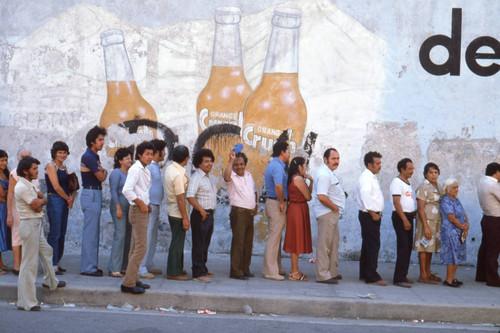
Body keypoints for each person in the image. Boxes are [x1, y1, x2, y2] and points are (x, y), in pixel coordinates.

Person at [15, 156, 65, 311]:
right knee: (29, 265)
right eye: (34, 169)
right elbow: (37, 206)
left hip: (36, 225)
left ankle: (50, 281)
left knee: (47, 251)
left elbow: (43, 199)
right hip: (29, 225)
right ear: (25, 171)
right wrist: (42, 201)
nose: (37, 171)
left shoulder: (29, 184)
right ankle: (27, 302)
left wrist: (42, 200)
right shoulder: (22, 187)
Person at [121, 141, 154, 294]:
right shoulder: (136, 169)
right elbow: (127, 190)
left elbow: (142, 190)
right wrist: (140, 203)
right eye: (147, 154)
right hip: (137, 210)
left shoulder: (145, 169)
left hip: (142, 209)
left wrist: (146, 203)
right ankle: (128, 283)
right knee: (141, 247)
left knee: (135, 247)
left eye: (152, 154)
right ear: (139, 154)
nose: (150, 157)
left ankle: (133, 278)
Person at [313, 148, 345, 285]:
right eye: (333, 159)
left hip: (332, 214)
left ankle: (332, 272)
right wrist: (334, 207)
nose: (336, 161)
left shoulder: (329, 173)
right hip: (327, 214)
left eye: (337, 159)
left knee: (333, 244)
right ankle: (322, 275)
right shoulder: (324, 174)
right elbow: (321, 196)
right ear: (325, 160)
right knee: (324, 245)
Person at [223, 150, 258, 280]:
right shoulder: (231, 176)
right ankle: (236, 271)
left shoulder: (248, 175)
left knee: (248, 243)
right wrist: (231, 160)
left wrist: (255, 205)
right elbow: (225, 177)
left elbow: (254, 190)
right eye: (236, 164)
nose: (239, 167)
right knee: (238, 242)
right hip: (239, 213)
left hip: (249, 213)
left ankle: (245, 269)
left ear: (245, 164)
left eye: (241, 164)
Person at [356, 151, 387, 286]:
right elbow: (365, 195)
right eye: (377, 163)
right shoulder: (367, 177)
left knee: (368, 245)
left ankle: (365, 273)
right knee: (373, 245)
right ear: (370, 165)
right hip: (370, 215)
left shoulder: (370, 176)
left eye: (380, 163)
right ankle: (371, 276)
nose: (380, 166)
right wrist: (373, 213)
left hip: (371, 214)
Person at [80, 126, 108, 277]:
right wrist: (104, 171)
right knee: (90, 232)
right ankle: (88, 268)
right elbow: (102, 177)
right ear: (92, 142)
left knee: (93, 231)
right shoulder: (89, 157)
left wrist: (103, 171)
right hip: (91, 193)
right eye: (100, 140)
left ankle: (92, 265)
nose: (103, 142)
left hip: (94, 193)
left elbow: (102, 173)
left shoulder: (94, 156)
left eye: (103, 139)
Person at [187, 148, 217, 283]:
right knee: (199, 244)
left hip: (209, 214)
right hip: (201, 215)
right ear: (199, 163)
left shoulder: (208, 177)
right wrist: (201, 211)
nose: (209, 164)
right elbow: (190, 196)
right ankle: (198, 273)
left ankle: (203, 268)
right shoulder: (196, 177)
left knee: (205, 243)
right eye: (206, 162)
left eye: (210, 161)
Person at [7, 149, 39, 275]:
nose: (25, 159)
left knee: (30, 238)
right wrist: (9, 214)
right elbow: (10, 194)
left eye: (28, 157)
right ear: (18, 159)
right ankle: (17, 266)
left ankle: (27, 265)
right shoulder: (15, 173)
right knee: (17, 235)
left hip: (33, 211)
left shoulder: (33, 173)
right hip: (18, 209)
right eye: (23, 157)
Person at [138, 139, 167, 279]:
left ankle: (148, 263)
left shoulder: (155, 166)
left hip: (156, 205)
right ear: (158, 152)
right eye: (163, 151)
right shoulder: (148, 167)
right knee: (147, 236)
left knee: (153, 236)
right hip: (149, 206)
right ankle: (141, 267)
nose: (165, 153)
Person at [45, 141, 75, 275]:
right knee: (55, 233)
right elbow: (56, 187)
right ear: (54, 153)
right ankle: (51, 264)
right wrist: (67, 198)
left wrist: (71, 197)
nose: (62, 155)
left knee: (62, 233)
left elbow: (69, 184)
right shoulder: (51, 166)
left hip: (63, 200)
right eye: (60, 153)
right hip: (55, 200)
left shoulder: (64, 167)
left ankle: (57, 261)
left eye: (64, 152)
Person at [262, 141, 290, 281]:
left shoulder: (273, 164)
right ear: (282, 152)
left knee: (277, 236)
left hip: (273, 201)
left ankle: (276, 267)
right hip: (276, 202)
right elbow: (278, 186)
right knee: (274, 237)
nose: (289, 154)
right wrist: (282, 201)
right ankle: (270, 270)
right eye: (288, 151)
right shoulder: (277, 167)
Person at [283, 157, 313, 281]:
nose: (306, 168)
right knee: (296, 241)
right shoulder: (299, 179)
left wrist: (310, 182)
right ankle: (294, 272)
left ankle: (295, 270)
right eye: (305, 166)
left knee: (295, 240)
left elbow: (306, 194)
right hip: (298, 211)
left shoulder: (292, 178)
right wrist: (311, 181)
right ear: (300, 167)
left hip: (295, 209)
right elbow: (308, 196)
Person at [164, 145, 190, 281]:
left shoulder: (170, 168)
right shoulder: (178, 174)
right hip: (178, 212)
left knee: (178, 241)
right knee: (177, 243)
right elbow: (180, 198)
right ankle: (173, 272)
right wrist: (185, 218)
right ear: (186, 158)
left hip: (172, 210)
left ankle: (177, 267)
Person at [390, 158, 416, 288]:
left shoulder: (407, 183)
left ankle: (403, 275)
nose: (412, 171)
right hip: (401, 218)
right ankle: (398, 278)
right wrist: (405, 220)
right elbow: (396, 202)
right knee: (403, 246)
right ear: (402, 169)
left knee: (408, 246)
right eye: (409, 169)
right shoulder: (397, 182)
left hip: (409, 217)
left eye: (412, 168)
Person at [414, 162, 442, 284]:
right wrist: (426, 226)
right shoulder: (423, 187)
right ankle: (423, 275)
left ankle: (428, 272)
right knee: (423, 247)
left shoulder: (437, 186)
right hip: (425, 222)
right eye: (430, 172)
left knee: (430, 247)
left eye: (435, 172)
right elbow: (420, 208)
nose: (433, 175)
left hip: (435, 222)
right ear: (425, 174)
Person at [107, 148, 133, 278]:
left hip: (129, 208)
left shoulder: (129, 173)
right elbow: (113, 191)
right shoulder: (116, 173)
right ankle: (114, 268)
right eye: (127, 158)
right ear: (120, 160)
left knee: (128, 236)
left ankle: (124, 266)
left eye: (130, 158)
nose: (130, 160)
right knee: (120, 235)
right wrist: (117, 208)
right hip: (119, 208)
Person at [440, 178, 468, 288]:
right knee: (452, 255)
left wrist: (466, 225)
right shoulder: (446, 200)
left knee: (458, 254)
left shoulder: (456, 199)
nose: (456, 189)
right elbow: (451, 217)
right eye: (453, 187)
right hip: (451, 231)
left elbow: (463, 213)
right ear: (447, 190)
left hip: (460, 230)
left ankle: (453, 277)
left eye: (457, 187)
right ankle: (448, 279)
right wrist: (462, 227)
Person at [475, 162, 500, 287]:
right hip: (495, 220)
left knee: (485, 248)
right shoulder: (493, 185)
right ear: (496, 172)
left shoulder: (482, 182)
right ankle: (493, 279)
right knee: (493, 250)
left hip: (486, 217)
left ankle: (481, 275)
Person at [0, 150, 12, 274]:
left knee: (2, 235)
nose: (5, 163)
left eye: (6, 160)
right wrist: (11, 190)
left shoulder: (6, 173)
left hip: (5, 208)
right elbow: (2, 195)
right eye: (2, 160)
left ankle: (1, 264)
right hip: (1, 206)